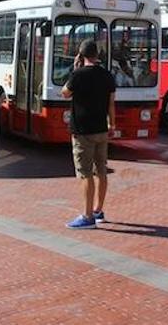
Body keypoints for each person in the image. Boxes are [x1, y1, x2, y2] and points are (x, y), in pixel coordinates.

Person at [61, 40, 117, 229]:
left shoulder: (78, 75)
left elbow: (65, 93)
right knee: (101, 169)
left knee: (85, 173)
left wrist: (75, 68)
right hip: (102, 128)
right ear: (97, 54)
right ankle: (98, 210)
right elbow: (111, 103)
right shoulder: (107, 75)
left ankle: (87, 217)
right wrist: (112, 124)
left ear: (81, 55)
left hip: (82, 131)